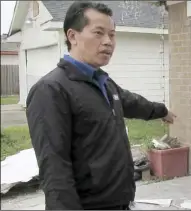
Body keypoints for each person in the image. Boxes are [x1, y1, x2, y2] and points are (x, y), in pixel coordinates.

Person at [25, 1, 176, 210]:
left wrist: (162, 110)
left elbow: (131, 102)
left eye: (112, 35)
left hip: (121, 201)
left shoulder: (102, 82)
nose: (108, 42)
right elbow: (55, 171)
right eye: (98, 33)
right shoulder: (51, 90)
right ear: (72, 36)